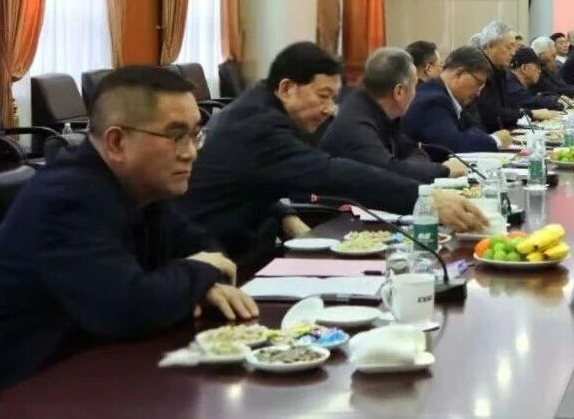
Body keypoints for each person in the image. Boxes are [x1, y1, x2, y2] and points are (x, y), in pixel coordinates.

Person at [0, 66, 259, 390]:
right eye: (175, 136)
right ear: (117, 142)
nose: (191, 152)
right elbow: (127, 307)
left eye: (195, 134)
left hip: (97, 369)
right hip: (27, 391)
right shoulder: (67, 198)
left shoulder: (142, 187)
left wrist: (198, 283)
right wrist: (199, 275)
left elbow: (205, 248)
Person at [181, 42, 486, 266]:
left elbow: (254, 175)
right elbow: (331, 172)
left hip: (248, 241)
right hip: (216, 256)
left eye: (333, 97)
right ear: (287, 88)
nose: (330, 109)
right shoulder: (259, 125)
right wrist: (425, 199)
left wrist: (284, 215)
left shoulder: (261, 105)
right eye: (323, 96)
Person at [319, 48, 469, 181]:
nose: (416, 93)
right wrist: (444, 170)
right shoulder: (357, 124)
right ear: (399, 91)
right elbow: (388, 172)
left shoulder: (380, 113)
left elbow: (413, 151)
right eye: (415, 85)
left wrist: (409, 166)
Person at [402, 46, 514, 153]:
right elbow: (454, 146)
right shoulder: (432, 100)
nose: (478, 93)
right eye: (478, 83)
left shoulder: (449, 97)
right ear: (459, 73)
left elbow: (477, 130)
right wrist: (496, 140)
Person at [472, 20, 559, 131]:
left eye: (514, 48)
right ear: (490, 46)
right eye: (509, 47)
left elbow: (510, 106)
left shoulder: (500, 70)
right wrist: (531, 114)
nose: (513, 53)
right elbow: (491, 114)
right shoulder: (480, 72)